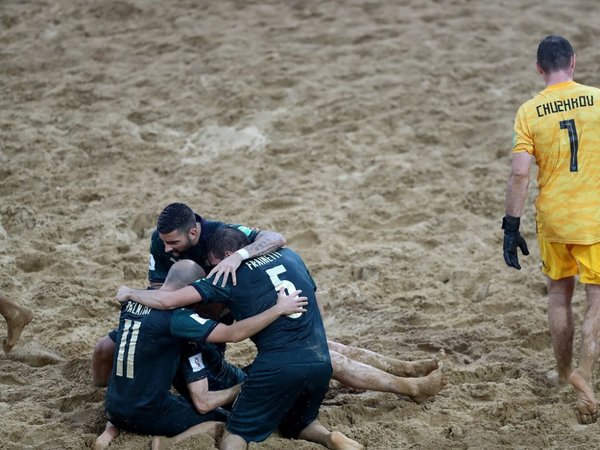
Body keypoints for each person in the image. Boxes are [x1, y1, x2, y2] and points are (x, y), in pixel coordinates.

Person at [502, 35, 600, 425]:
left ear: (539, 68)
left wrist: (511, 226)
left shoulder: (529, 111)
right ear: (573, 62)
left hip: (554, 218)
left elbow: (520, 172)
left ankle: (562, 376)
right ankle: (587, 373)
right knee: (597, 299)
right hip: (595, 218)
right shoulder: (597, 99)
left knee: (559, 296)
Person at [92, 202, 286, 386]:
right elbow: (158, 285)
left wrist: (238, 256)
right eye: (164, 242)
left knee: (208, 377)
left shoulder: (222, 234)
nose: (167, 248)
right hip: (172, 309)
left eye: (173, 242)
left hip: (212, 316)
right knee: (104, 351)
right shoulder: (161, 240)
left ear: (193, 233)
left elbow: (276, 238)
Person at [92, 284, 308, 450]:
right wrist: (279, 309)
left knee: (135, 379)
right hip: (147, 410)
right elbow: (233, 335)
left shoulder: (134, 301)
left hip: (113, 404)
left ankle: (111, 430)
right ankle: (168, 444)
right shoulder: (179, 320)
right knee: (231, 424)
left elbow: (103, 348)